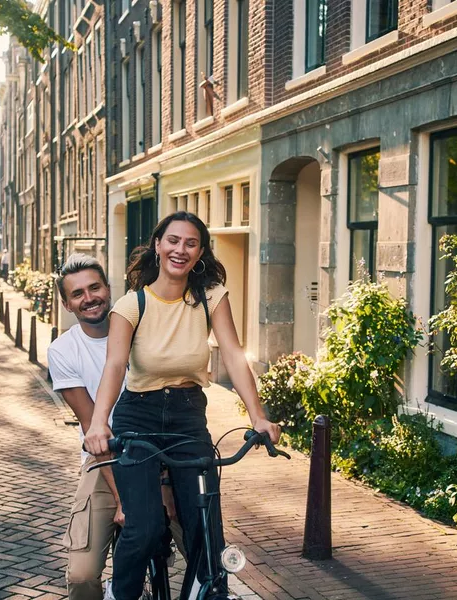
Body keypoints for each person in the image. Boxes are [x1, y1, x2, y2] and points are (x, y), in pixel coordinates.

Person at [84, 212, 280, 600]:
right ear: (157, 245)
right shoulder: (131, 305)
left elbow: (235, 356)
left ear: (200, 252)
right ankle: (119, 594)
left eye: (191, 243)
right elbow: (115, 365)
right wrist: (98, 423)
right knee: (143, 527)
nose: (180, 249)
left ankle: (208, 592)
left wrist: (258, 416)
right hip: (137, 417)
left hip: (188, 417)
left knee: (206, 527)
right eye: (173, 240)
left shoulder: (212, 298)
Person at [49, 253, 183, 600]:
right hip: (106, 464)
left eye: (95, 287)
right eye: (77, 293)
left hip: (162, 454)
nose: (89, 297)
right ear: (67, 304)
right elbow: (94, 426)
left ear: (109, 289)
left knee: (209, 555)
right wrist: (125, 499)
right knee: (81, 576)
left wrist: (164, 484)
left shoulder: (144, 333)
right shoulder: (63, 351)